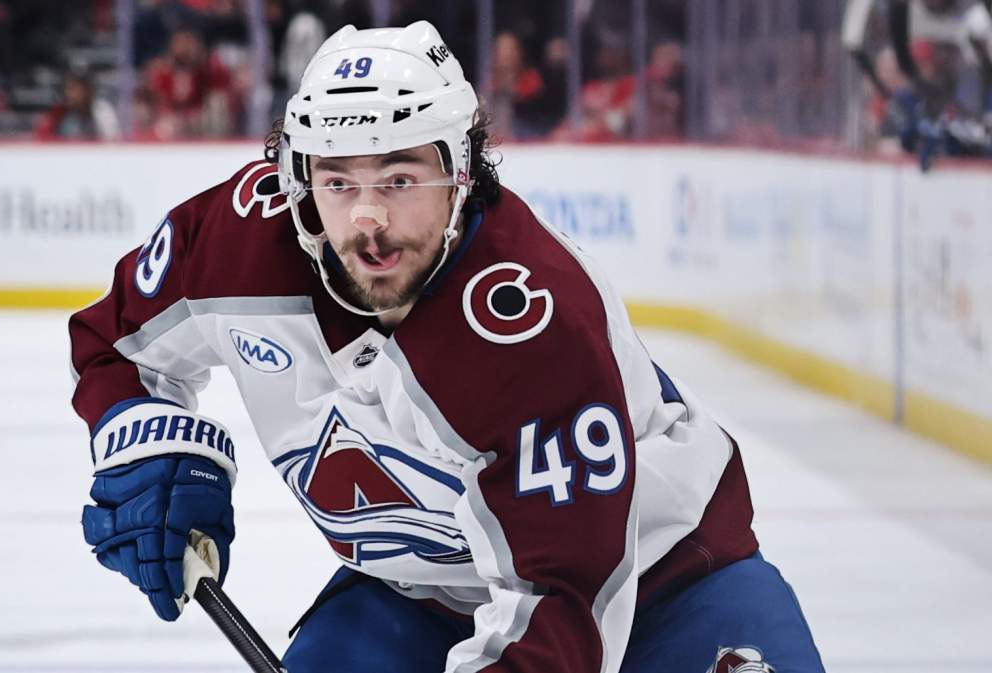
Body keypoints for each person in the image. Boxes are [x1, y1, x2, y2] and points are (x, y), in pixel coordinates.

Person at [69, 21, 826, 673]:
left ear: (460, 173)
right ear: (297, 177)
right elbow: (114, 342)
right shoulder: (234, 242)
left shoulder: (532, 329)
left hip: (669, 581)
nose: (367, 219)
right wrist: (151, 450)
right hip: (417, 596)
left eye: (400, 179)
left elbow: (563, 602)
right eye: (338, 181)